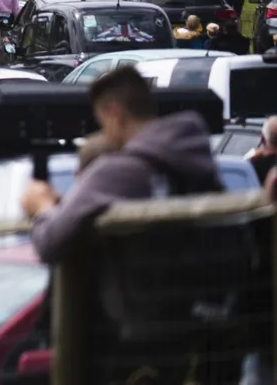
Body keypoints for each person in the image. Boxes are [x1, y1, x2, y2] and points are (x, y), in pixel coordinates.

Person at [23, 67, 244, 384]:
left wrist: (42, 207)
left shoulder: (122, 170)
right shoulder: (191, 159)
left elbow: (50, 242)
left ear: (114, 113)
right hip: (203, 330)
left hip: (142, 341)